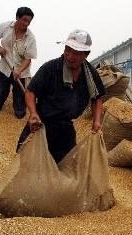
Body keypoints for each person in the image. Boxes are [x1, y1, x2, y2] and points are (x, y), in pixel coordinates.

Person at [16, 29, 105, 163]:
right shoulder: (50, 68)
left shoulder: (90, 74)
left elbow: (97, 98)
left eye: (75, 53)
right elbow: (30, 92)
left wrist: (97, 121)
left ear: (85, 55)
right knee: (28, 162)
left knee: (66, 165)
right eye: (67, 50)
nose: (69, 56)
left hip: (65, 127)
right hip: (42, 123)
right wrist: (33, 113)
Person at [0, 7, 37, 118]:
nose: (26, 23)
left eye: (29, 21)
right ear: (17, 17)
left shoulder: (30, 38)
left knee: (20, 111)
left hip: (22, 73)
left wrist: (19, 71)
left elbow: (28, 59)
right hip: (3, 68)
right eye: (24, 20)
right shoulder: (5, 27)